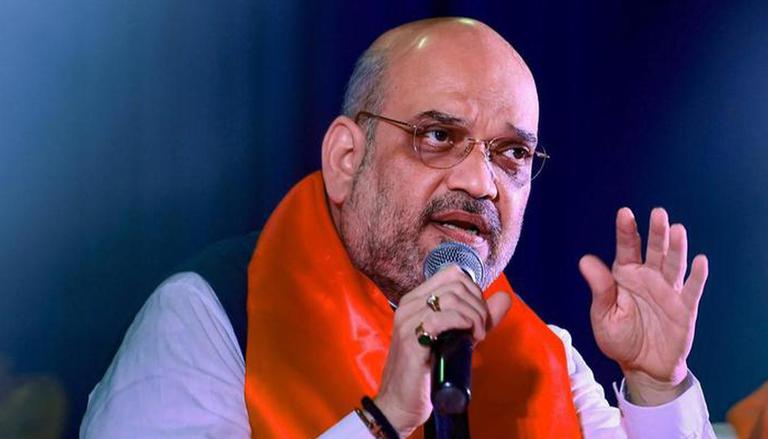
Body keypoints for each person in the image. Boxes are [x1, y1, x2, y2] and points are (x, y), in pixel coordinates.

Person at [81, 18, 716, 438]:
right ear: (345, 159)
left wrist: (656, 385)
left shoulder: (545, 358)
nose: (481, 182)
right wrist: (383, 420)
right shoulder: (209, 316)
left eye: (512, 153)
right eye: (438, 136)